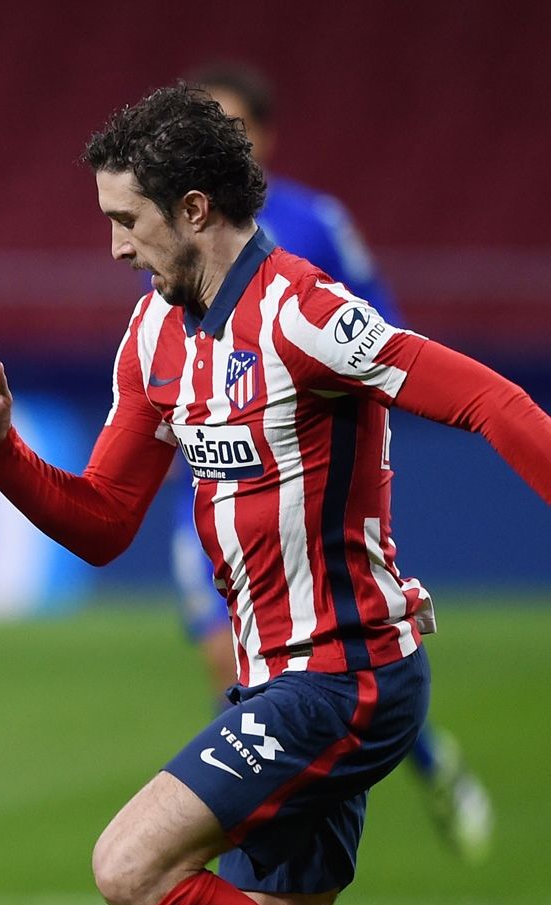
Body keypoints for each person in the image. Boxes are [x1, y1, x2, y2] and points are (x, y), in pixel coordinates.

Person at [0, 85, 551, 905]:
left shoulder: (305, 313)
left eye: (127, 221)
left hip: (347, 675)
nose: (118, 248)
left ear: (194, 211)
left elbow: (485, 397)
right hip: (277, 679)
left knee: (130, 866)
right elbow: (100, 523)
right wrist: (2, 454)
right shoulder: (155, 340)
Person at [168, 63, 491, 861]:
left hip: (303, 482)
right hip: (209, 480)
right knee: (227, 650)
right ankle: (262, 807)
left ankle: (401, 765)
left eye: (233, 124)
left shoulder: (315, 222)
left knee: (320, 657)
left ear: (264, 138)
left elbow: (382, 332)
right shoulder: (176, 225)